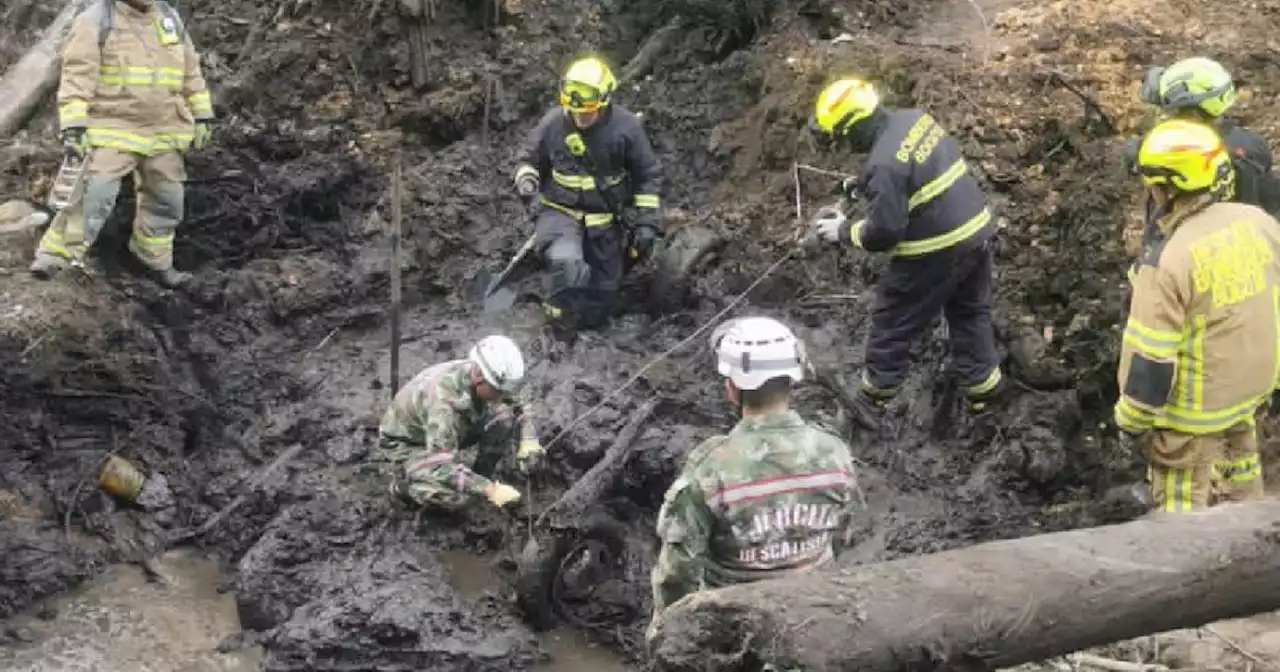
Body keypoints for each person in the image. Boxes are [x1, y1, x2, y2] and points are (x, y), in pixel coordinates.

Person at [805, 77, 1007, 429]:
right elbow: (912, 168)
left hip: (936, 250)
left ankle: (872, 402)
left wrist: (843, 232)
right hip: (977, 231)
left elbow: (884, 233)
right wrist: (863, 186)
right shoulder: (914, 119)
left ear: (854, 126)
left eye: (841, 135)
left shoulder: (883, 166)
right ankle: (984, 397)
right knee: (970, 313)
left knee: (891, 322)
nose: (843, 144)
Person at [646, 316, 860, 644]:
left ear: (732, 389)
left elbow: (678, 571)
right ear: (793, 381)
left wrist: (666, 630)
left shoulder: (711, 467)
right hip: (815, 617)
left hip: (735, 629)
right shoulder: (835, 452)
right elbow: (842, 533)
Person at [1116, 118, 1278, 512]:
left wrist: (1130, 422)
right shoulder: (1258, 223)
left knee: (1181, 524)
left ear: (1165, 186)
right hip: (1247, 397)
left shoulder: (1167, 261)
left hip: (1190, 419)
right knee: (1243, 493)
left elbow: (1151, 361)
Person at [30, 0, 214, 288]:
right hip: (112, 126)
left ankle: (152, 259)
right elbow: (77, 76)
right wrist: (75, 124)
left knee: (167, 201)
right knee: (93, 195)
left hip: (165, 130)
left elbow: (191, 71)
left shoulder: (169, 19)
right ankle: (56, 257)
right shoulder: (96, 20)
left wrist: (202, 113)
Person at [511, 56, 663, 339]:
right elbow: (527, 159)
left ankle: (589, 329)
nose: (580, 118)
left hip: (605, 221)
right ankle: (558, 332)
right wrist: (527, 182)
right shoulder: (554, 122)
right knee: (567, 265)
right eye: (575, 112)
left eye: (587, 113)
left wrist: (647, 223)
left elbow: (647, 175)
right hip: (559, 213)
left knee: (603, 295)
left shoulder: (627, 128)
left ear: (604, 101)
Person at [379, 335, 545, 511]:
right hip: (407, 444)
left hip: (440, 428)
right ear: (478, 377)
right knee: (457, 499)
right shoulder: (445, 408)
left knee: (503, 418)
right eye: (498, 391)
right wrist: (489, 489)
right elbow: (441, 467)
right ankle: (404, 487)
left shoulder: (478, 370)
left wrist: (529, 438)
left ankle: (479, 475)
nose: (502, 396)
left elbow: (519, 400)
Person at [1130, 57, 1280, 247]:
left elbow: (1135, 155)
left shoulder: (1170, 152)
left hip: (1187, 245)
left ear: (1191, 111)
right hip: (1251, 240)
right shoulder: (1251, 146)